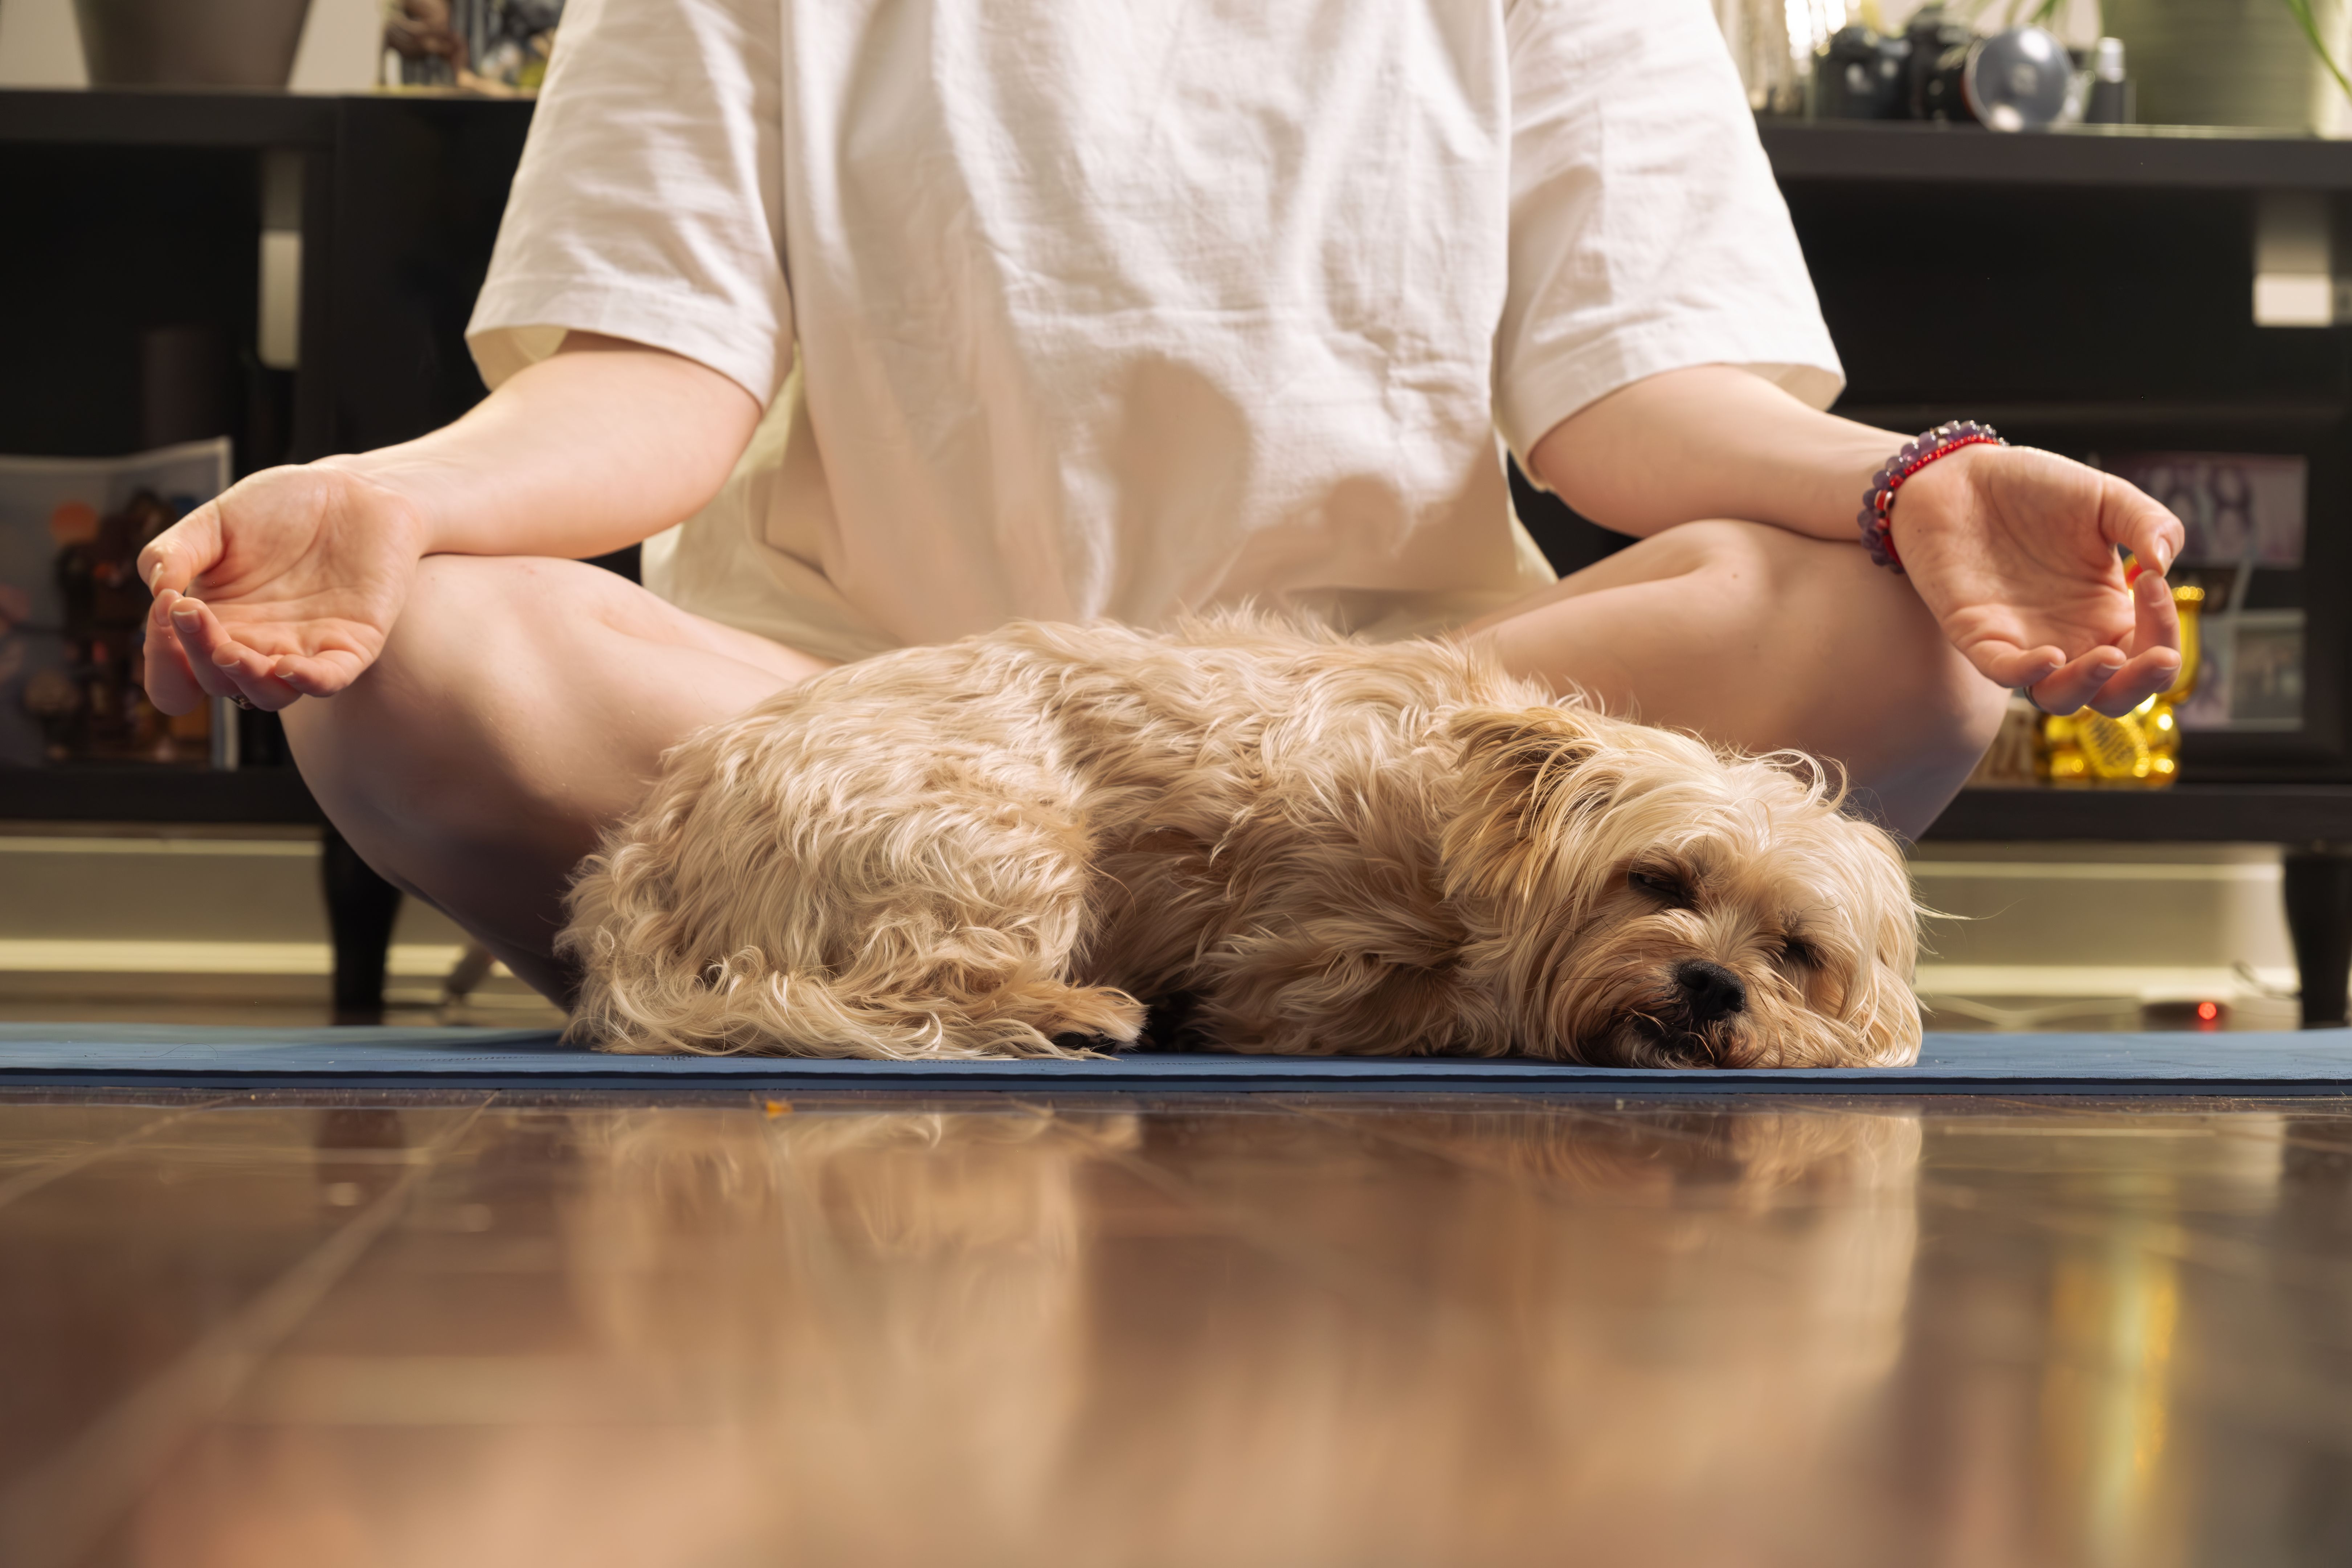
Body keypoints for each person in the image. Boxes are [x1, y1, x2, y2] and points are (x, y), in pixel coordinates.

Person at [136, 0, 2181, 1005]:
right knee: (409, 656)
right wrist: (386, 500)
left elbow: (1634, 402)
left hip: (1402, 778)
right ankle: (945, 948)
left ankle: (1125, 974)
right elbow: (649, 384)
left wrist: (1914, 486)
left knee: (1891, 642)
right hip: (855, 735)